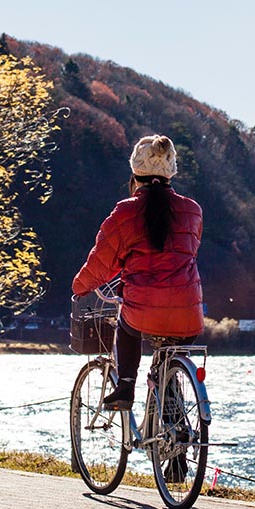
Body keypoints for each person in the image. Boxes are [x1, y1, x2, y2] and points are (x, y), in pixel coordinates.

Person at [72, 134, 204, 411]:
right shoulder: (192, 210)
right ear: (171, 173)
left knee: (127, 327)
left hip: (142, 310)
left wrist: (80, 287)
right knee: (169, 360)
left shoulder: (126, 211)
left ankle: (126, 388)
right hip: (189, 312)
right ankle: (172, 414)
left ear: (135, 173)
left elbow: (102, 261)